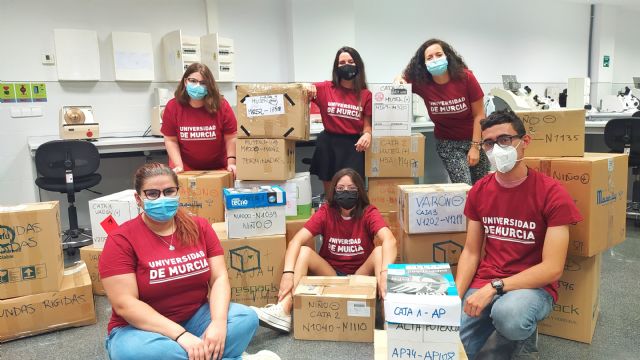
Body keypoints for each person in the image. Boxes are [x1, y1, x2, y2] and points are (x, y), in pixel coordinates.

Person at [98, 163, 276, 360]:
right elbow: (125, 304)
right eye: (152, 194)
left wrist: (217, 323)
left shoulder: (199, 227)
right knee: (131, 352)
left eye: (168, 191)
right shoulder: (121, 240)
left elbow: (219, 278)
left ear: (178, 193)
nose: (162, 199)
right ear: (138, 199)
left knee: (246, 318)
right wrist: (180, 335)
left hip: (196, 318)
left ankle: (194, 353)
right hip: (141, 330)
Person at [455, 110, 583, 359]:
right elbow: (471, 251)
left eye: (504, 140)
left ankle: (520, 334)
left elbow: (552, 268)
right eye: (489, 143)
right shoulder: (479, 191)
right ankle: (494, 320)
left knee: (510, 316)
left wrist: (495, 288)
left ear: (524, 142)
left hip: (532, 287)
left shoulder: (552, 193)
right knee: (450, 344)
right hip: (486, 281)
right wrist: (455, 296)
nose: (496, 149)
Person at [251, 168, 397, 333]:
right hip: (331, 274)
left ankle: (388, 320)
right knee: (304, 251)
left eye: (351, 189)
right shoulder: (326, 212)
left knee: (379, 252)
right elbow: (296, 241)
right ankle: (284, 310)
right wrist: (288, 273)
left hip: (359, 275)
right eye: (340, 189)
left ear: (360, 191)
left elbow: (389, 240)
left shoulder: (368, 212)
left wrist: (385, 273)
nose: (345, 192)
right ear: (333, 190)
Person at [399, 38, 489, 185]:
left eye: (439, 55)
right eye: (429, 57)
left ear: (447, 56)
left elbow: (479, 114)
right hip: (448, 143)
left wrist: (475, 147)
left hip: (474, 138)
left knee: (482, 184)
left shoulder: (465, 78)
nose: (435, 59)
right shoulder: (423, 83)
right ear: (424, 64)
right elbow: (401, 79)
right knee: (463, 185)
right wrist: (399, 79)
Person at [307, 46, 373, 196]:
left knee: (351, 193)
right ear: (336, 67)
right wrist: (306, 88)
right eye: (342, 62)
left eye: (350, 61)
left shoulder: (365, 95)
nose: (346, 65)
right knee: (331, 195)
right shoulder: (325, 88)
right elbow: (299, 90)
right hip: (328, 144)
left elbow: (367, 125)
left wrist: (367, 135)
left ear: (358, 65)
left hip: (353, 147)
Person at [162, 63, 238, 177]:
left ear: (209, 85)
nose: (197, 85)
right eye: (193, 81)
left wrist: (231, 163)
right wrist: (178, 166)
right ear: (185, 81)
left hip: (219, 169)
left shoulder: (221, 106)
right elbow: (170, 140)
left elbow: (231, 136)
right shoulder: (173, 107)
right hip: (185, 169)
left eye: (203, 83)